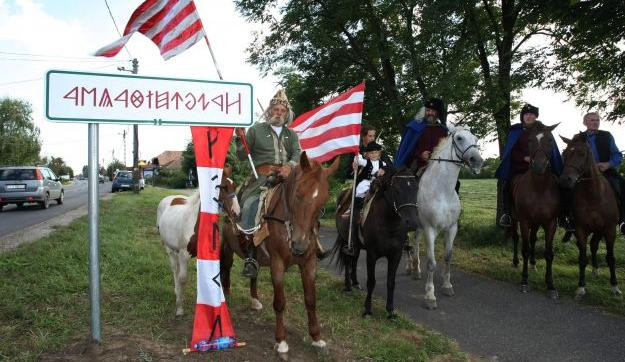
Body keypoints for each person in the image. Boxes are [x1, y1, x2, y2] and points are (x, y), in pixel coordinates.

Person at [235, 89, 301, 277]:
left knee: (306, 200)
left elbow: (297, 153)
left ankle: (310, 243)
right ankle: (250, 256)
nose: (279, 113)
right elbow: (241, 155)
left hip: (287, 177)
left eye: (282, 110)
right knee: (249, 205)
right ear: (269, 110)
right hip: (261, 178)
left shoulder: (291, 134)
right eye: (276, 109)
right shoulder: (256, 130)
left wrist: (289, 166)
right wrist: (239, 138)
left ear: (286, 114)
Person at [495, 104, 564, 228]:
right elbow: (512, 151)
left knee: (559, 184)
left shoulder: (544, 130)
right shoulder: (516, 131)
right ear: (522, 117)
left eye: (531, 114)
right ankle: (507, 215)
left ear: (536, 116)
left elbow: (550, 149)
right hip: (521, 169)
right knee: (506, 186)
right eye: (526, 115)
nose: (528, 117)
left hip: (542, 168)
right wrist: (524, 158)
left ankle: (563, 215)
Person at [580, 112, 625, 235]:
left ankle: (622, 220)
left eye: (597, 120)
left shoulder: (606, 136)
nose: (595, 122)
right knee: (568, 188)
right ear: (585, 122)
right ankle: (569, 220)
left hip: (605, 171)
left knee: (620, 186)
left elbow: (617, 155)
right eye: (592, 120)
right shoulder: (579, 137)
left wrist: (608, 164)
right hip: (584, 174)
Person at [395, 97, 448, 171]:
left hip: (439, 165)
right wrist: (420, 154)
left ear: (438, 113)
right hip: (417, 164)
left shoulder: (443, 130)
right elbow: (407, 148)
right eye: (428, 110)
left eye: (433, 111)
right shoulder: (414, 127)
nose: (430, 113)